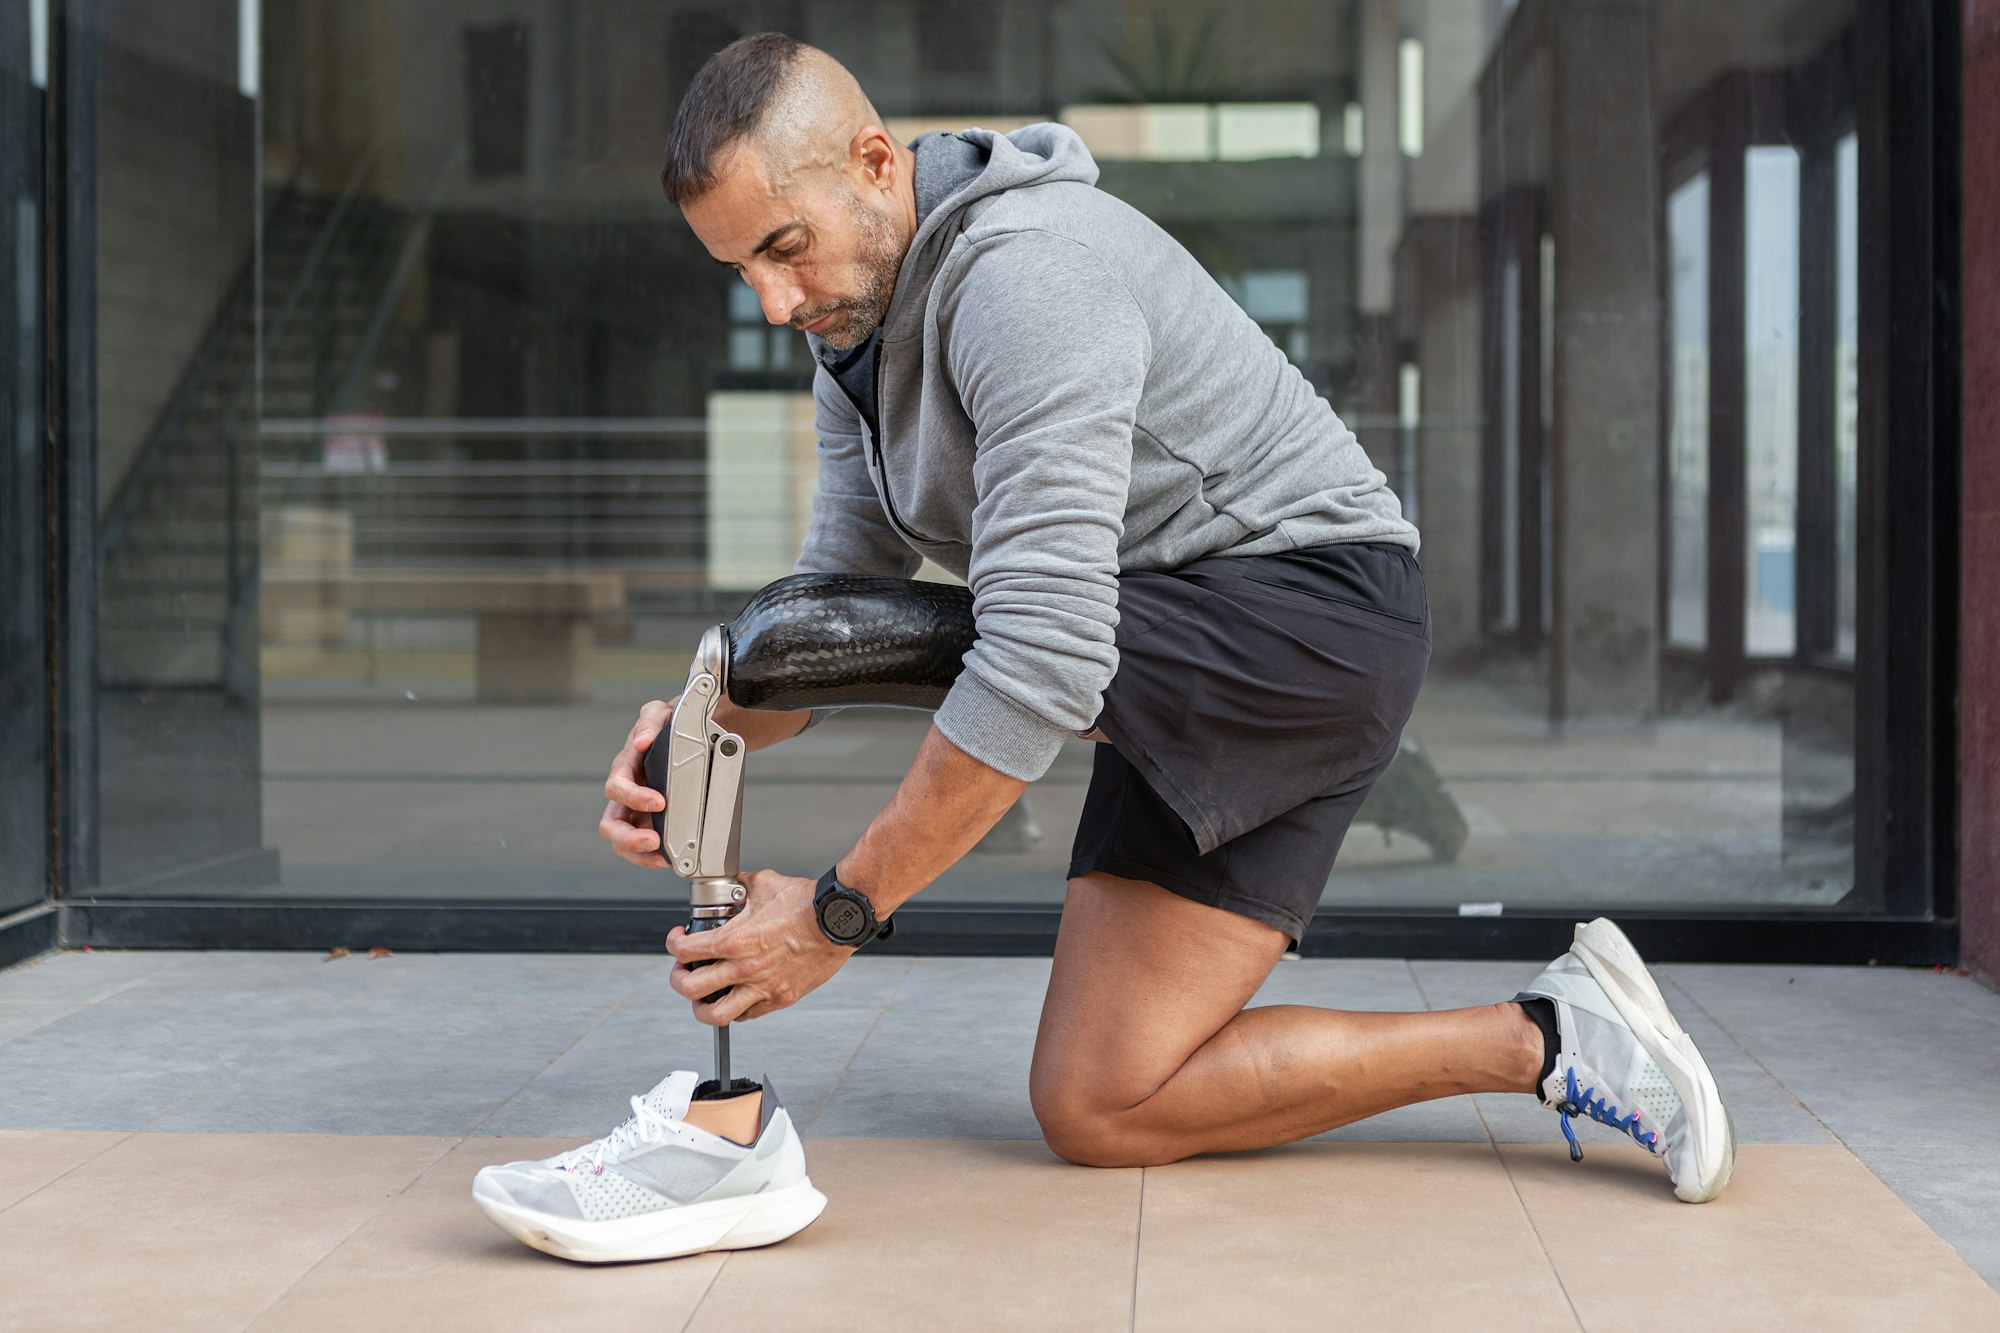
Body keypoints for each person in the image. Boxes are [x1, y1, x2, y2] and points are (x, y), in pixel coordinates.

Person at [473, 32, 1733, 1265]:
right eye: (740, 268)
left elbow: (1037, 664)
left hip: (1302, 623)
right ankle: (1553, 1035)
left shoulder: (1029, 276)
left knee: (1009, 638)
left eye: (782, 249)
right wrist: (704, 729)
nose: (773, 302)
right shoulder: (851, 335)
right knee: (1101, 1103)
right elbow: (840, 610)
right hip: (1170, 647)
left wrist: (837, 918)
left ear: (871, 159)